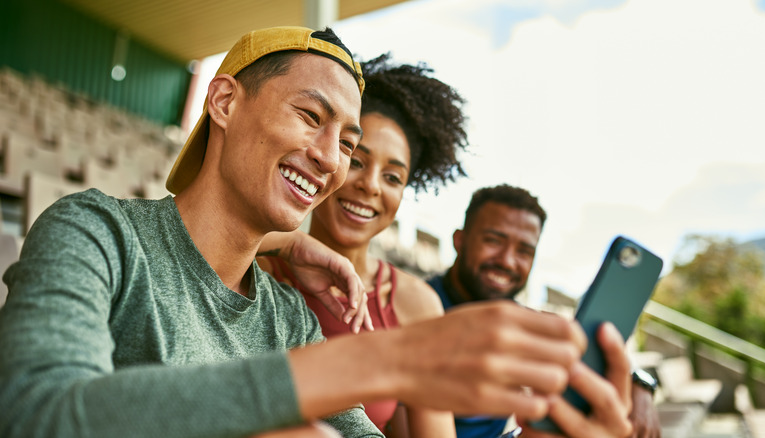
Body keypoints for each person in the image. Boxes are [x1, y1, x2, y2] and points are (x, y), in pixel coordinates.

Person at [0, 26, 634, 438]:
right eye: (311, 116)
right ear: (224, 103)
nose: (332, 159)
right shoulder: (97, 232)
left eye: (347, 142)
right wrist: (382, 358)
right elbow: (34, 413)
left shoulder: (291, 319)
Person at [258, 53, 468, 437]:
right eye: (355, 159)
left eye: (392, 177)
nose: (371, 185)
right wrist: (289, 245)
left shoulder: (415, 306)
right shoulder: (259, 264)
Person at [428, 184, 662, 438]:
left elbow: (589, 353)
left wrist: (640, 385)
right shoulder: (412, 309)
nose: (507, 260)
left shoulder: (520, 322)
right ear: (459, 241)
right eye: (493, 241)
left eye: (524, 251)